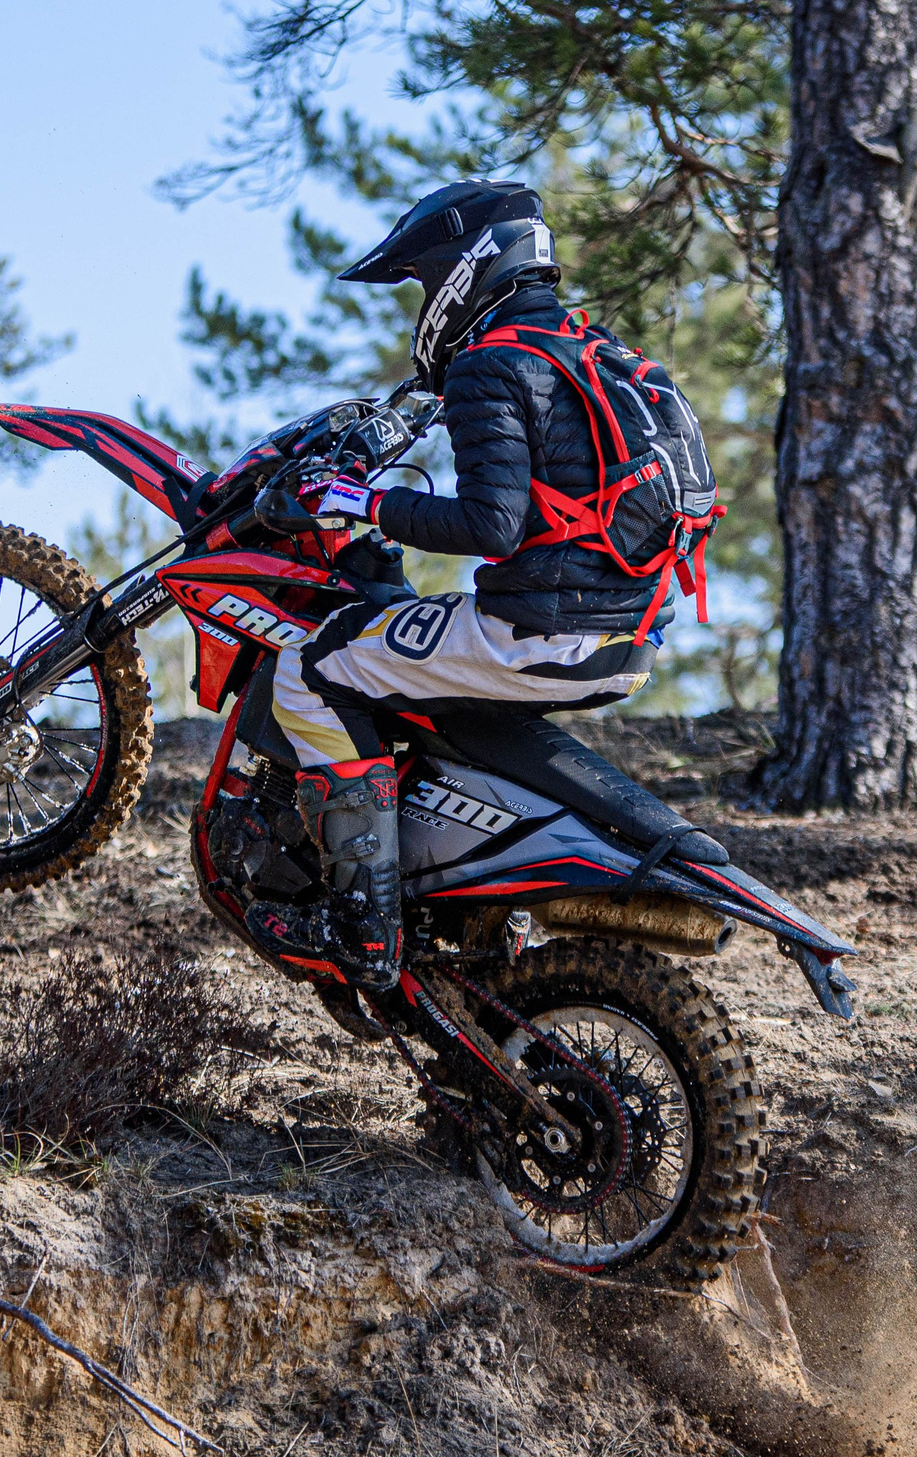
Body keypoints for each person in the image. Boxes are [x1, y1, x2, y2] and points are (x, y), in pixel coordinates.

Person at [242, 180, 683, 992]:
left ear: (464, 268)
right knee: (406, 653)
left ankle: (365, 928)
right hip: (629, 633)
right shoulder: (592, 351)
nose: (419, 306)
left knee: (309, 668)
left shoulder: (491, 363)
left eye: (420, 282)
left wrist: (359, 501)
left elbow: (491, 527)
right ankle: (472, 904)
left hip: (542, 629)